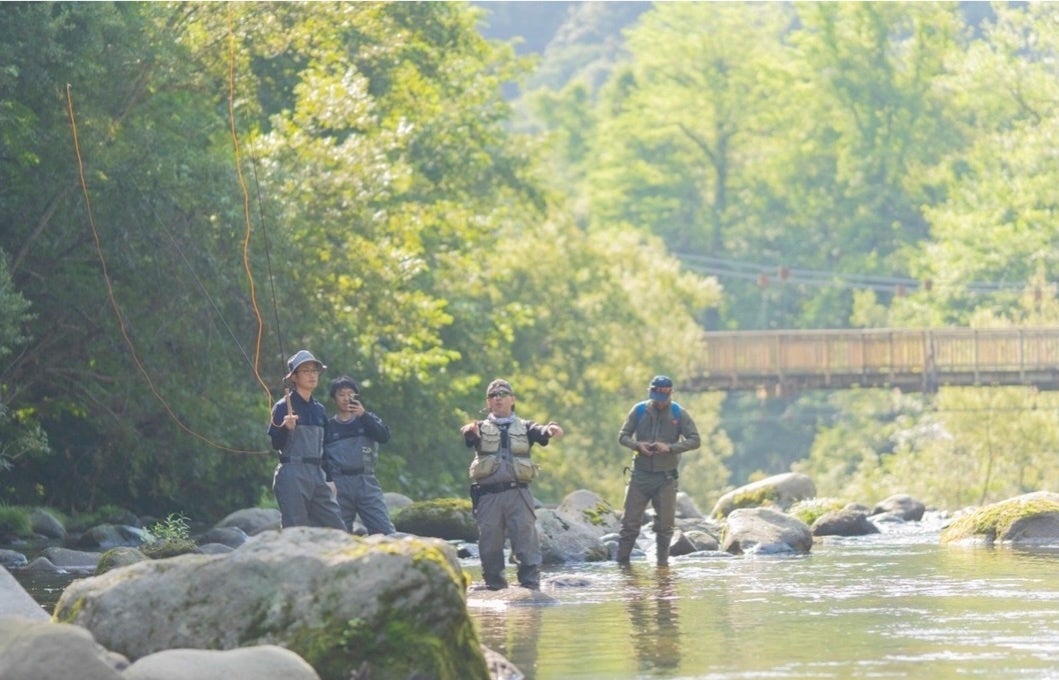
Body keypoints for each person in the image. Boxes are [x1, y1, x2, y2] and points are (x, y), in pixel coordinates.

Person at [461, 378, 564, 590]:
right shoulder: (478, 427)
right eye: (493, 396)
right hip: (488, 496)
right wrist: (469, 430)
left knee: (525, 541)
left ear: (512, 400)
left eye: (502, 395)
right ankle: (494, 586)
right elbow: (469, 437)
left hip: (519, 494)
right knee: (490, 545)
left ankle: (530, 586)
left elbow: (541, 432)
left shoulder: (526, 427)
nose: (498, 399)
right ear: (488, 402)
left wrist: (549, 430)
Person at [616, 375, 700, 566]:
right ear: (650, 393)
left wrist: (669, 448)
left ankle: (663, 568)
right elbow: (623, 436)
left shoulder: (679, 414)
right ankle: (621, 566)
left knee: (664, 527)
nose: (659, 403)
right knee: (629, 525)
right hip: (640, 476)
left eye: (663, 398)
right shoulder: (638, 410)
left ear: (671, 393)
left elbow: (695, 440)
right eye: (655, 397)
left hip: (666, 478)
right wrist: (638, 446)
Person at [267, 349, 346, 530]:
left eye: (314, 371)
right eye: (306, 371)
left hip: (317, 474)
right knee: (295, 529)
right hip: (292, 473)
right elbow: (275, 444)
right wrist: (286, 429)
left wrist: (330, 478)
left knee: (337, 528)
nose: (312, 375)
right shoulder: (282, 407)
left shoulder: (319, 409)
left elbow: (324, 447)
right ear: (294, 377)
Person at [323, 375, 396, 535]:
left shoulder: (367, 419)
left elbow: (383, 436)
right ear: (334, 399)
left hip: (366, 481)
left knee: (384, 531)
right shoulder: (328, 427)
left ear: (356, 396)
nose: (346, 398)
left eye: (350, 394)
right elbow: (322, 459)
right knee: (338, 534)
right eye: (341, 394)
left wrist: (363, 415)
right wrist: (328, 481)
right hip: (339, 483)